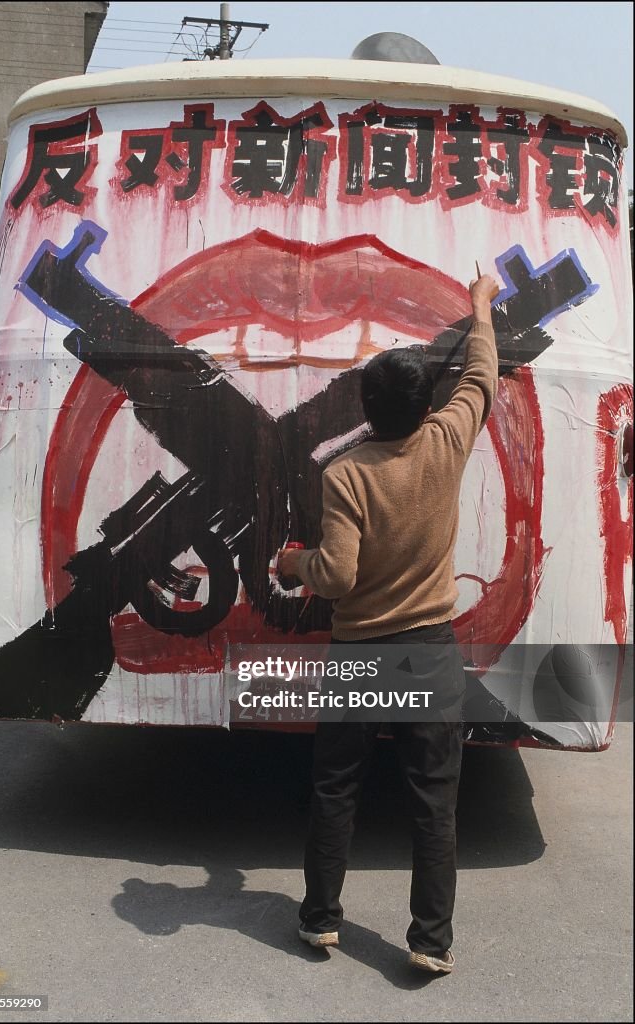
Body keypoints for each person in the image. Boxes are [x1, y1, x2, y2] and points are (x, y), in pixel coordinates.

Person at [277, 273, 500, 974]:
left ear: (367, 410)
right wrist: (482, 307)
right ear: (425, 402)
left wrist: (293, 565)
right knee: (434, 800)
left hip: (362, 652)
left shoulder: (345, 474)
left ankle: (319, 922)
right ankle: (430, 943)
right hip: (429, 649)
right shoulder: (447, 440)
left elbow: (337, 576)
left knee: (336, 788)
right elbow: (482, 375)